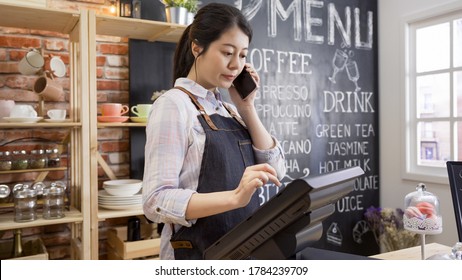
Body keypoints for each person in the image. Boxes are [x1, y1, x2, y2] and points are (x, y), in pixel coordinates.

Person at [142, 2, 286, 260]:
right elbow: (156, 201)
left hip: (241, 252)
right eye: (227, 52)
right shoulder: (174, 105)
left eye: (242, 55)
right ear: (197, 47)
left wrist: (247, 107)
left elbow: (276, 171)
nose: (235, 65)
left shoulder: (231, 111)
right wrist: (234, 198)